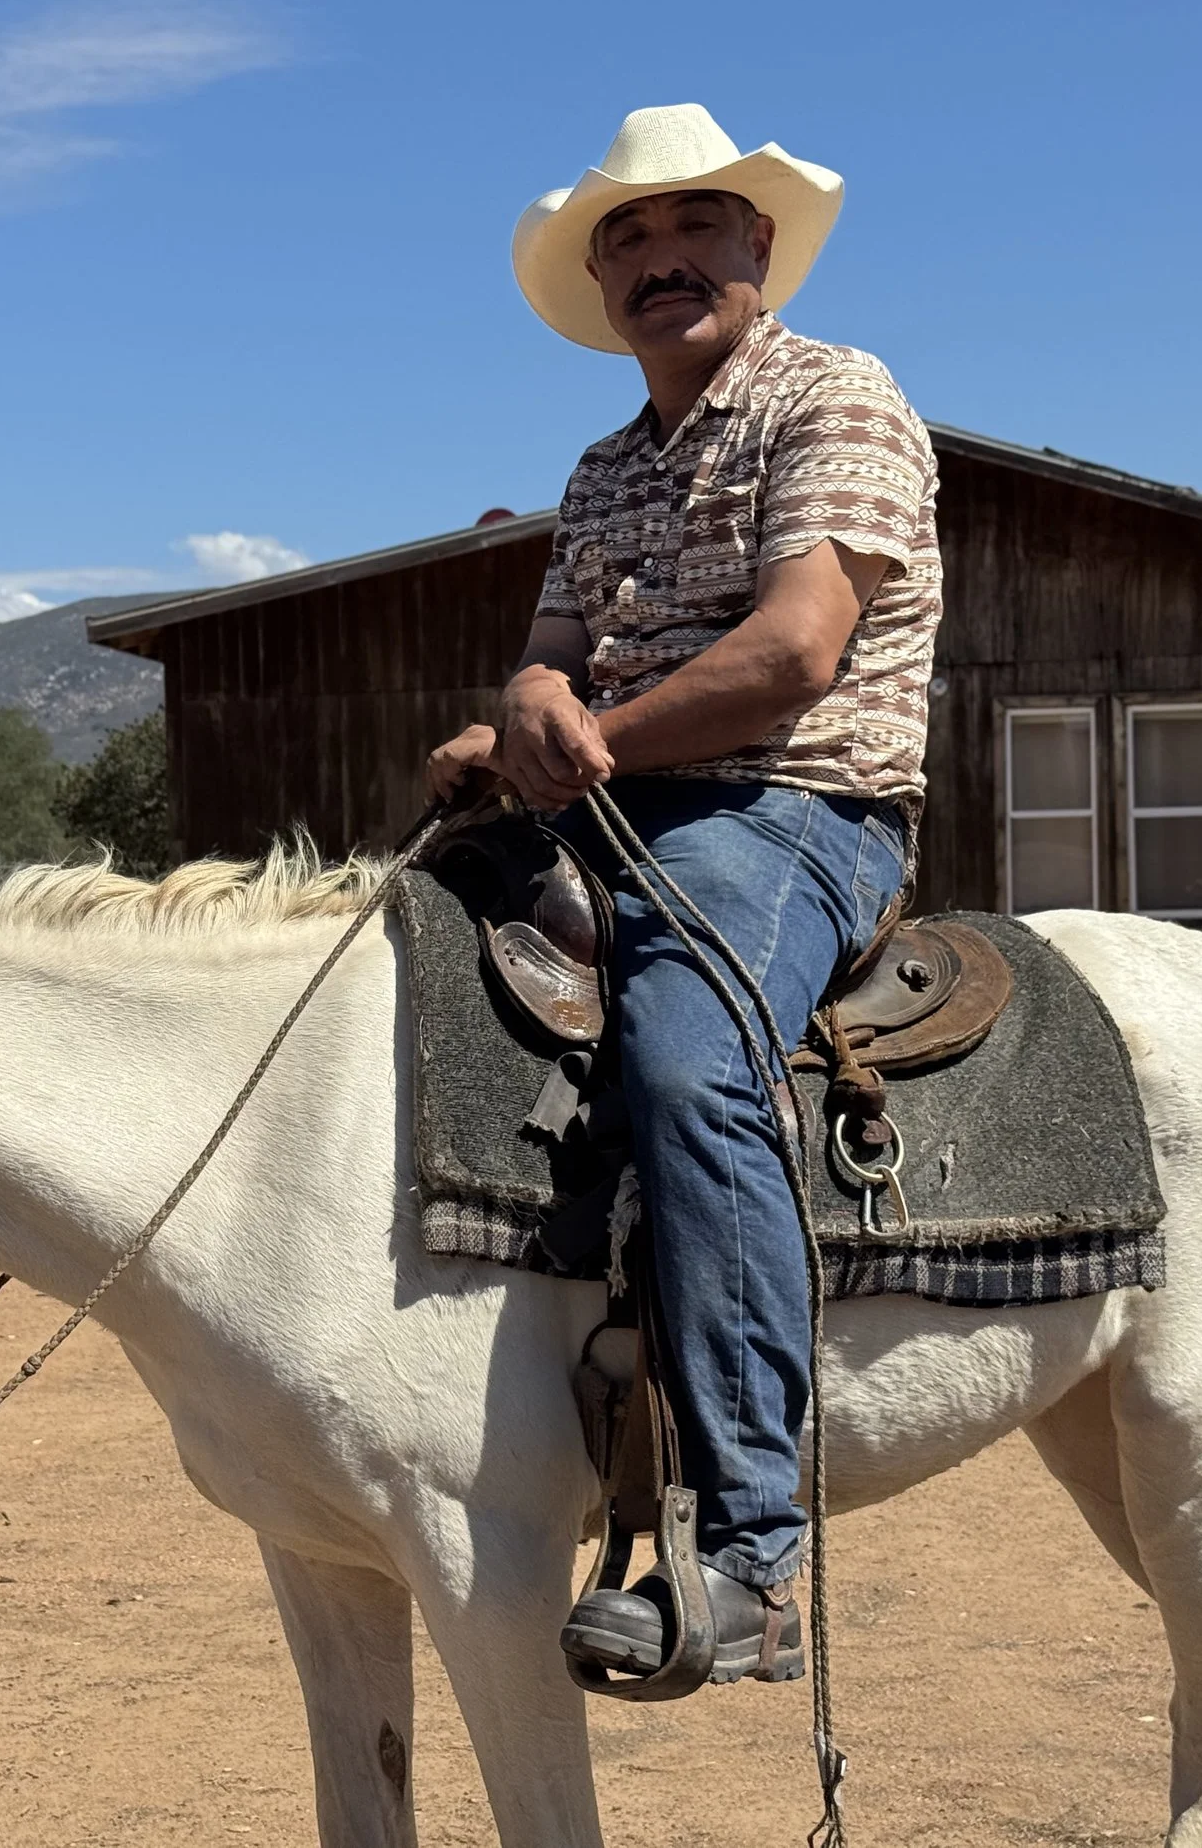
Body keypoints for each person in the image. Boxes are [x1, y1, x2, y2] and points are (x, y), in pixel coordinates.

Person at [426, 103, 940, 1686]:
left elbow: (795, 651)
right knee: (410, 953)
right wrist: (515, 711)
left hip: (798, 808)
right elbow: (553, 655)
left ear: (758, 249)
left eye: (692, 227)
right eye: (627, 241)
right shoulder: (600, 472)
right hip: (627, 796)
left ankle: (754, 1550)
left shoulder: (836, 397)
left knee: (687, 1052)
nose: (661, 261)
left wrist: (576, 745)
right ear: (601, 286)